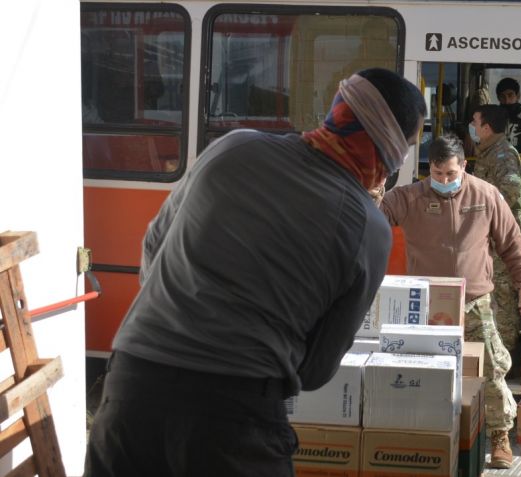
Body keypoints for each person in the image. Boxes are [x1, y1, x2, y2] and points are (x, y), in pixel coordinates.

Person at [84, 68, 426, 477]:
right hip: (234, 419)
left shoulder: (232, 147)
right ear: (387, 146)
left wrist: (180, 318)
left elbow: (154, 246)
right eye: (407, 146)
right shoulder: (367, 228)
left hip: (131, 390)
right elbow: (315, 371)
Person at [375, 134, 521, 470]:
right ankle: (420, 436)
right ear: (428, 170)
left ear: (464, 166)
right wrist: (374, 189)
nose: (444, 181)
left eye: (451, 174)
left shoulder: (486, 195)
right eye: (437, 174)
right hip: (424, 303)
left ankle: (500, 437)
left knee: (492, 368)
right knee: (420, 371)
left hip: (474, 301)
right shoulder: (410, 197)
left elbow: (512, 243)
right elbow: (375, 215)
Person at [469, 105, 521, 352]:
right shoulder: (488, 152)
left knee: (503, 300)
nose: (471, 127)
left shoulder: (503, 155)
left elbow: (509, 194)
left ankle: (506, 358)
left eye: (474, 122)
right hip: (489, 239)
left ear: (486, 128)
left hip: (501, 241)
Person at [496, 77, 521, 154]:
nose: (507, 101)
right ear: (498, 98)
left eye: (510, 95)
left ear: (518, 96)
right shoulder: (492, 116)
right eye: (502, 96)